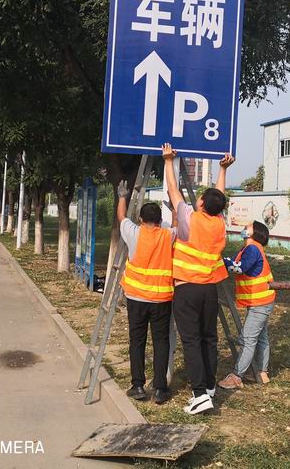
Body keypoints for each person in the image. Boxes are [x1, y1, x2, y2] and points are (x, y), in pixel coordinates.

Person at [162, 143, 234, 415]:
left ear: (201, 203)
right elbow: (219, 197)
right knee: (209, 339)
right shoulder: (219, 224)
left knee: (191, 341)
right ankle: (210, 387)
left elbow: (173, 189)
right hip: (209, 291)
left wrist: (167, 161)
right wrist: (223, 170)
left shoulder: (190, 219)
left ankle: (200, 394)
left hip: (187, 290)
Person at [116, 180, 176, 404]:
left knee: (137, 340)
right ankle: (160, 389)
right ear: (160, 221)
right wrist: (173, 208)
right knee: (161, 342)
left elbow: (121, 217)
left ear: (141, 219)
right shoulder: (167, 235)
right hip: (161, 298)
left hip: (136, 297)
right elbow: (178, 225)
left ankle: (138, 386)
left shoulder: (134, 232)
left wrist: (122, 196)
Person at [218, 220, 276, 389]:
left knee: (248, 339)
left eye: (248, 225)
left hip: (260, 302)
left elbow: (239, 268)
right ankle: (262, 372)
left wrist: (220, 260)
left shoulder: (252, 248)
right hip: (262, 300)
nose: (245, 226)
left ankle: (237, 376)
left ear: (255, 233)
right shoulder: (250, 248)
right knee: (261, 337)